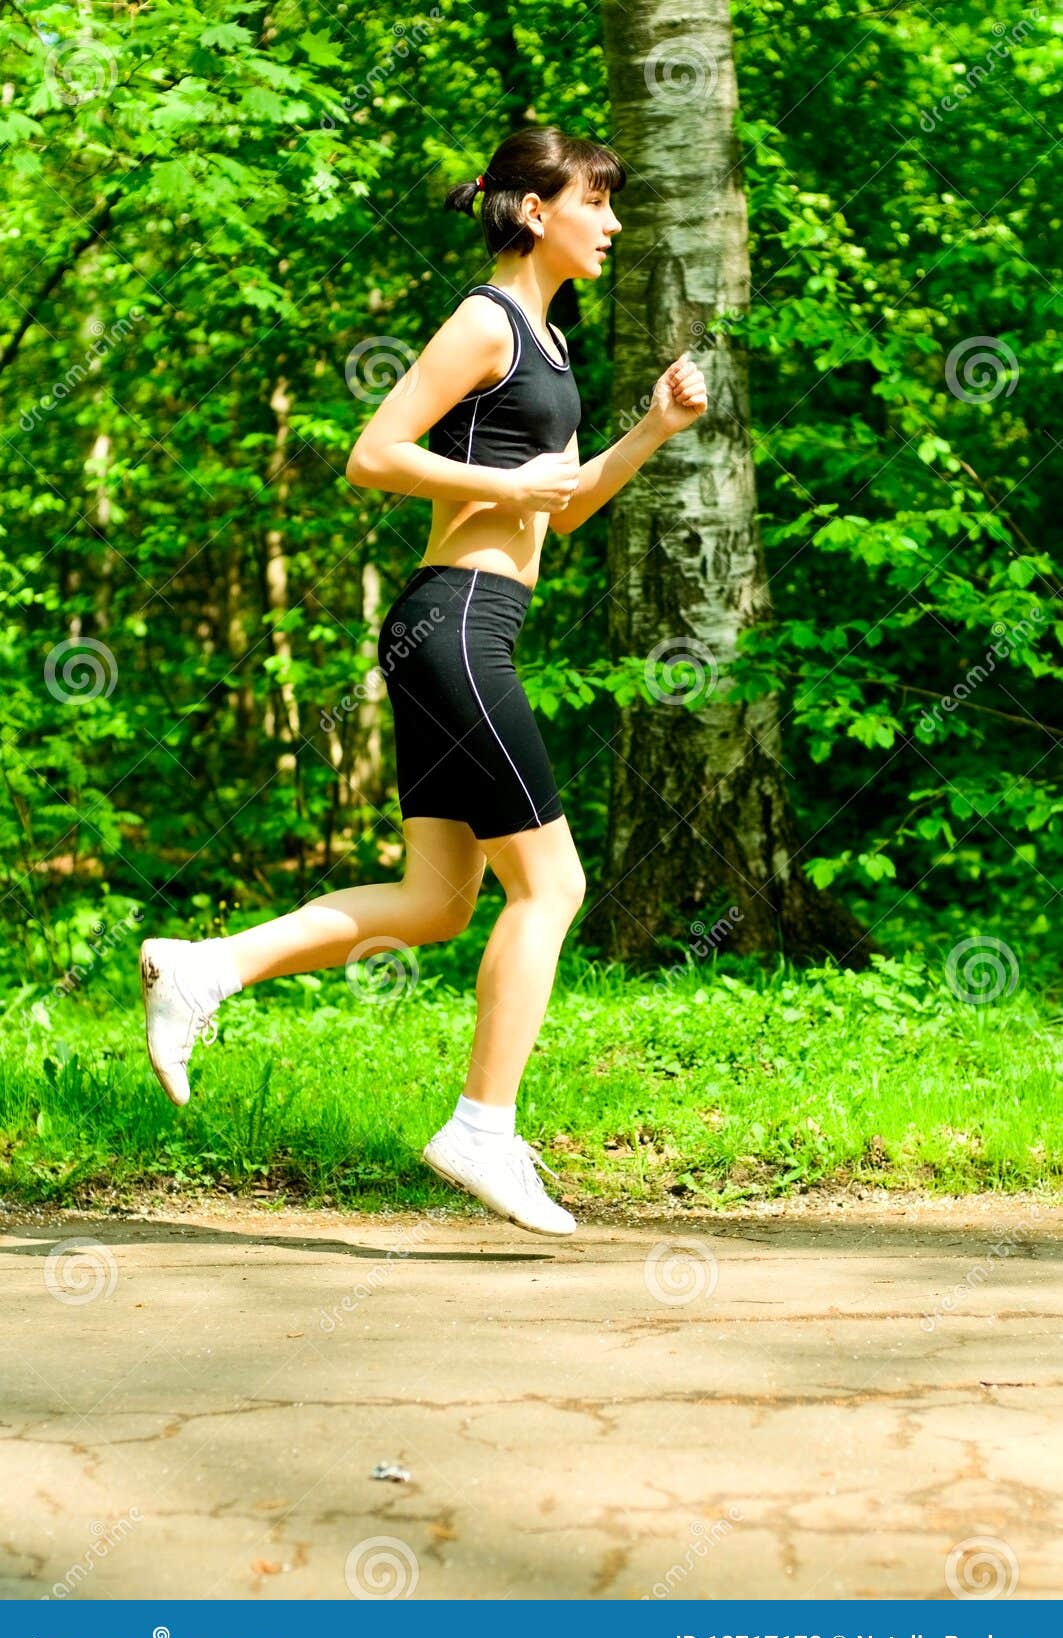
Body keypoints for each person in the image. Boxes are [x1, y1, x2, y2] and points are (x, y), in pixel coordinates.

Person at [139, 124, 707, 1238]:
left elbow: (561, 503)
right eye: (598, 201)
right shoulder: (484, 321)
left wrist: (649, 430)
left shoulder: (545, 343)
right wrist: (498, 478)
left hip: (466, 623)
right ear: (538, 209)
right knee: (552, 888)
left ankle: (202, 967)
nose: (614, 222)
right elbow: (373, 453)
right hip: (453, 627)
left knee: (441, 901)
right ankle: (479, 1129)